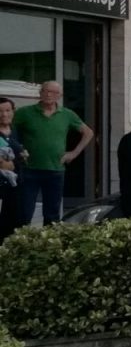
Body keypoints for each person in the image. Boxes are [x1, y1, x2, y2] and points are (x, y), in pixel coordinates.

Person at [13, 81, 94, 225]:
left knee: (52, 215)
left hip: (55, 170)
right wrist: (18, 149)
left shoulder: (67, 115)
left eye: (54, 92)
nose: (49, 94)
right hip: (29, 169)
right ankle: (21, 244)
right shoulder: (24, 113)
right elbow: (8, 131)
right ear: (40, 93)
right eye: (46, 91)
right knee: (23, 212)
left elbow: (88, 132)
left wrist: (74, 153)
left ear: (60, 96)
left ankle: (48, 245)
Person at [0, 97, 26, 242]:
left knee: (14, 223)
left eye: (7, 110)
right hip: (1, 185)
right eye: (0, 111)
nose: (4, 114)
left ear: (13, 111)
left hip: (16, 186)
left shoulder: (16, 131)